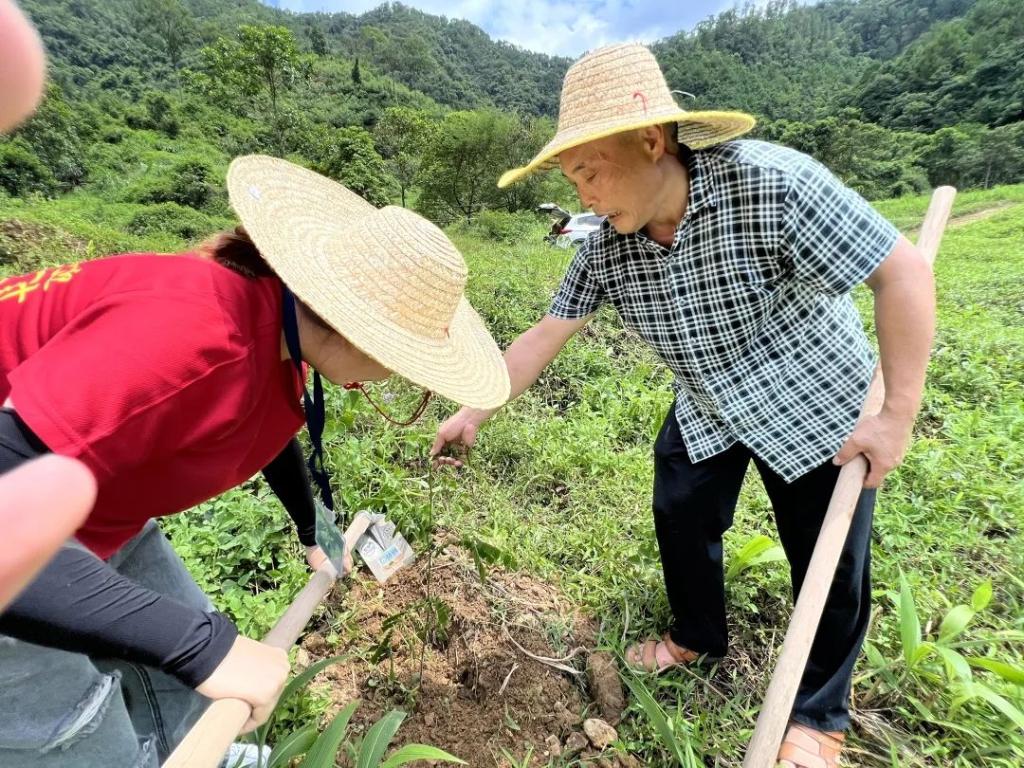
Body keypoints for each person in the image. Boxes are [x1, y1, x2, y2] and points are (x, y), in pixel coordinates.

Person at [431, 43, 934, 768]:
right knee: (680, 508)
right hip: (709, 397)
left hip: (812, 392)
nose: (586, 198)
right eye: (573, 182)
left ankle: (819, 711)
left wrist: (895, 418)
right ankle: (697, 633)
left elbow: (903, 273)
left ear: (650, 140)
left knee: (827, 553)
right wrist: (475, 408)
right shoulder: (605, 246)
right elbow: (546, 334)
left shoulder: (771, 183)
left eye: (592, 172)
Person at [0, 154, 510, 767]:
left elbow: (267, 426)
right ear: (353, 332)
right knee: (78, 732)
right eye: (405, 359)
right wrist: (201, 648)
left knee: (187, 669)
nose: (401, 375)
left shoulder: (273, 324)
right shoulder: (188, 335)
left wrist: (310, 527)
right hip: (18, 536)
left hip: (95, 510)